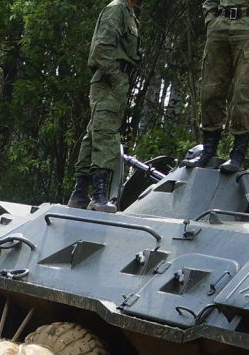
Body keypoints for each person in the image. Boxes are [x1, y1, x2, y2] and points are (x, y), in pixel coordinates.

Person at [184, 0, 249, 174]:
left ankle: (238, 154)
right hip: (220, 24)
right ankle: (208, 149)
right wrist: (211, 17)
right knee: (210, 90)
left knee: (244, 91)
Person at [68, 0, 140, 213]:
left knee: (94, 134)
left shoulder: (129, 12)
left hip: (115, 79)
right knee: (105, 134)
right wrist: (117, 78)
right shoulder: (117, 9)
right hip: (109, 80)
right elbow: (102, 49)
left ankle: (80, 193)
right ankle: (98, 196)